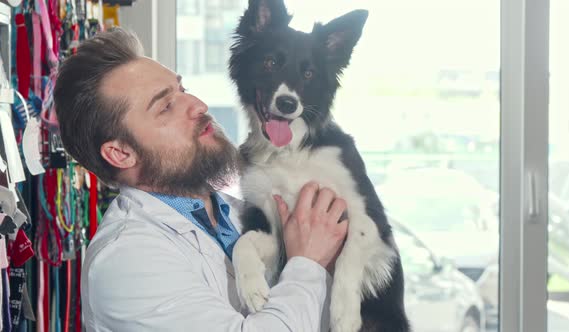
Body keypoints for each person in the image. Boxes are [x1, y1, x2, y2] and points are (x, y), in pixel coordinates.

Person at [53, 27, 349, 331]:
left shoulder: (236, 213)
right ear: (121, 153)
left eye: (181, 90)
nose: (197, 105)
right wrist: (308, 263)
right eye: (166, 106)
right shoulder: (125, 260)